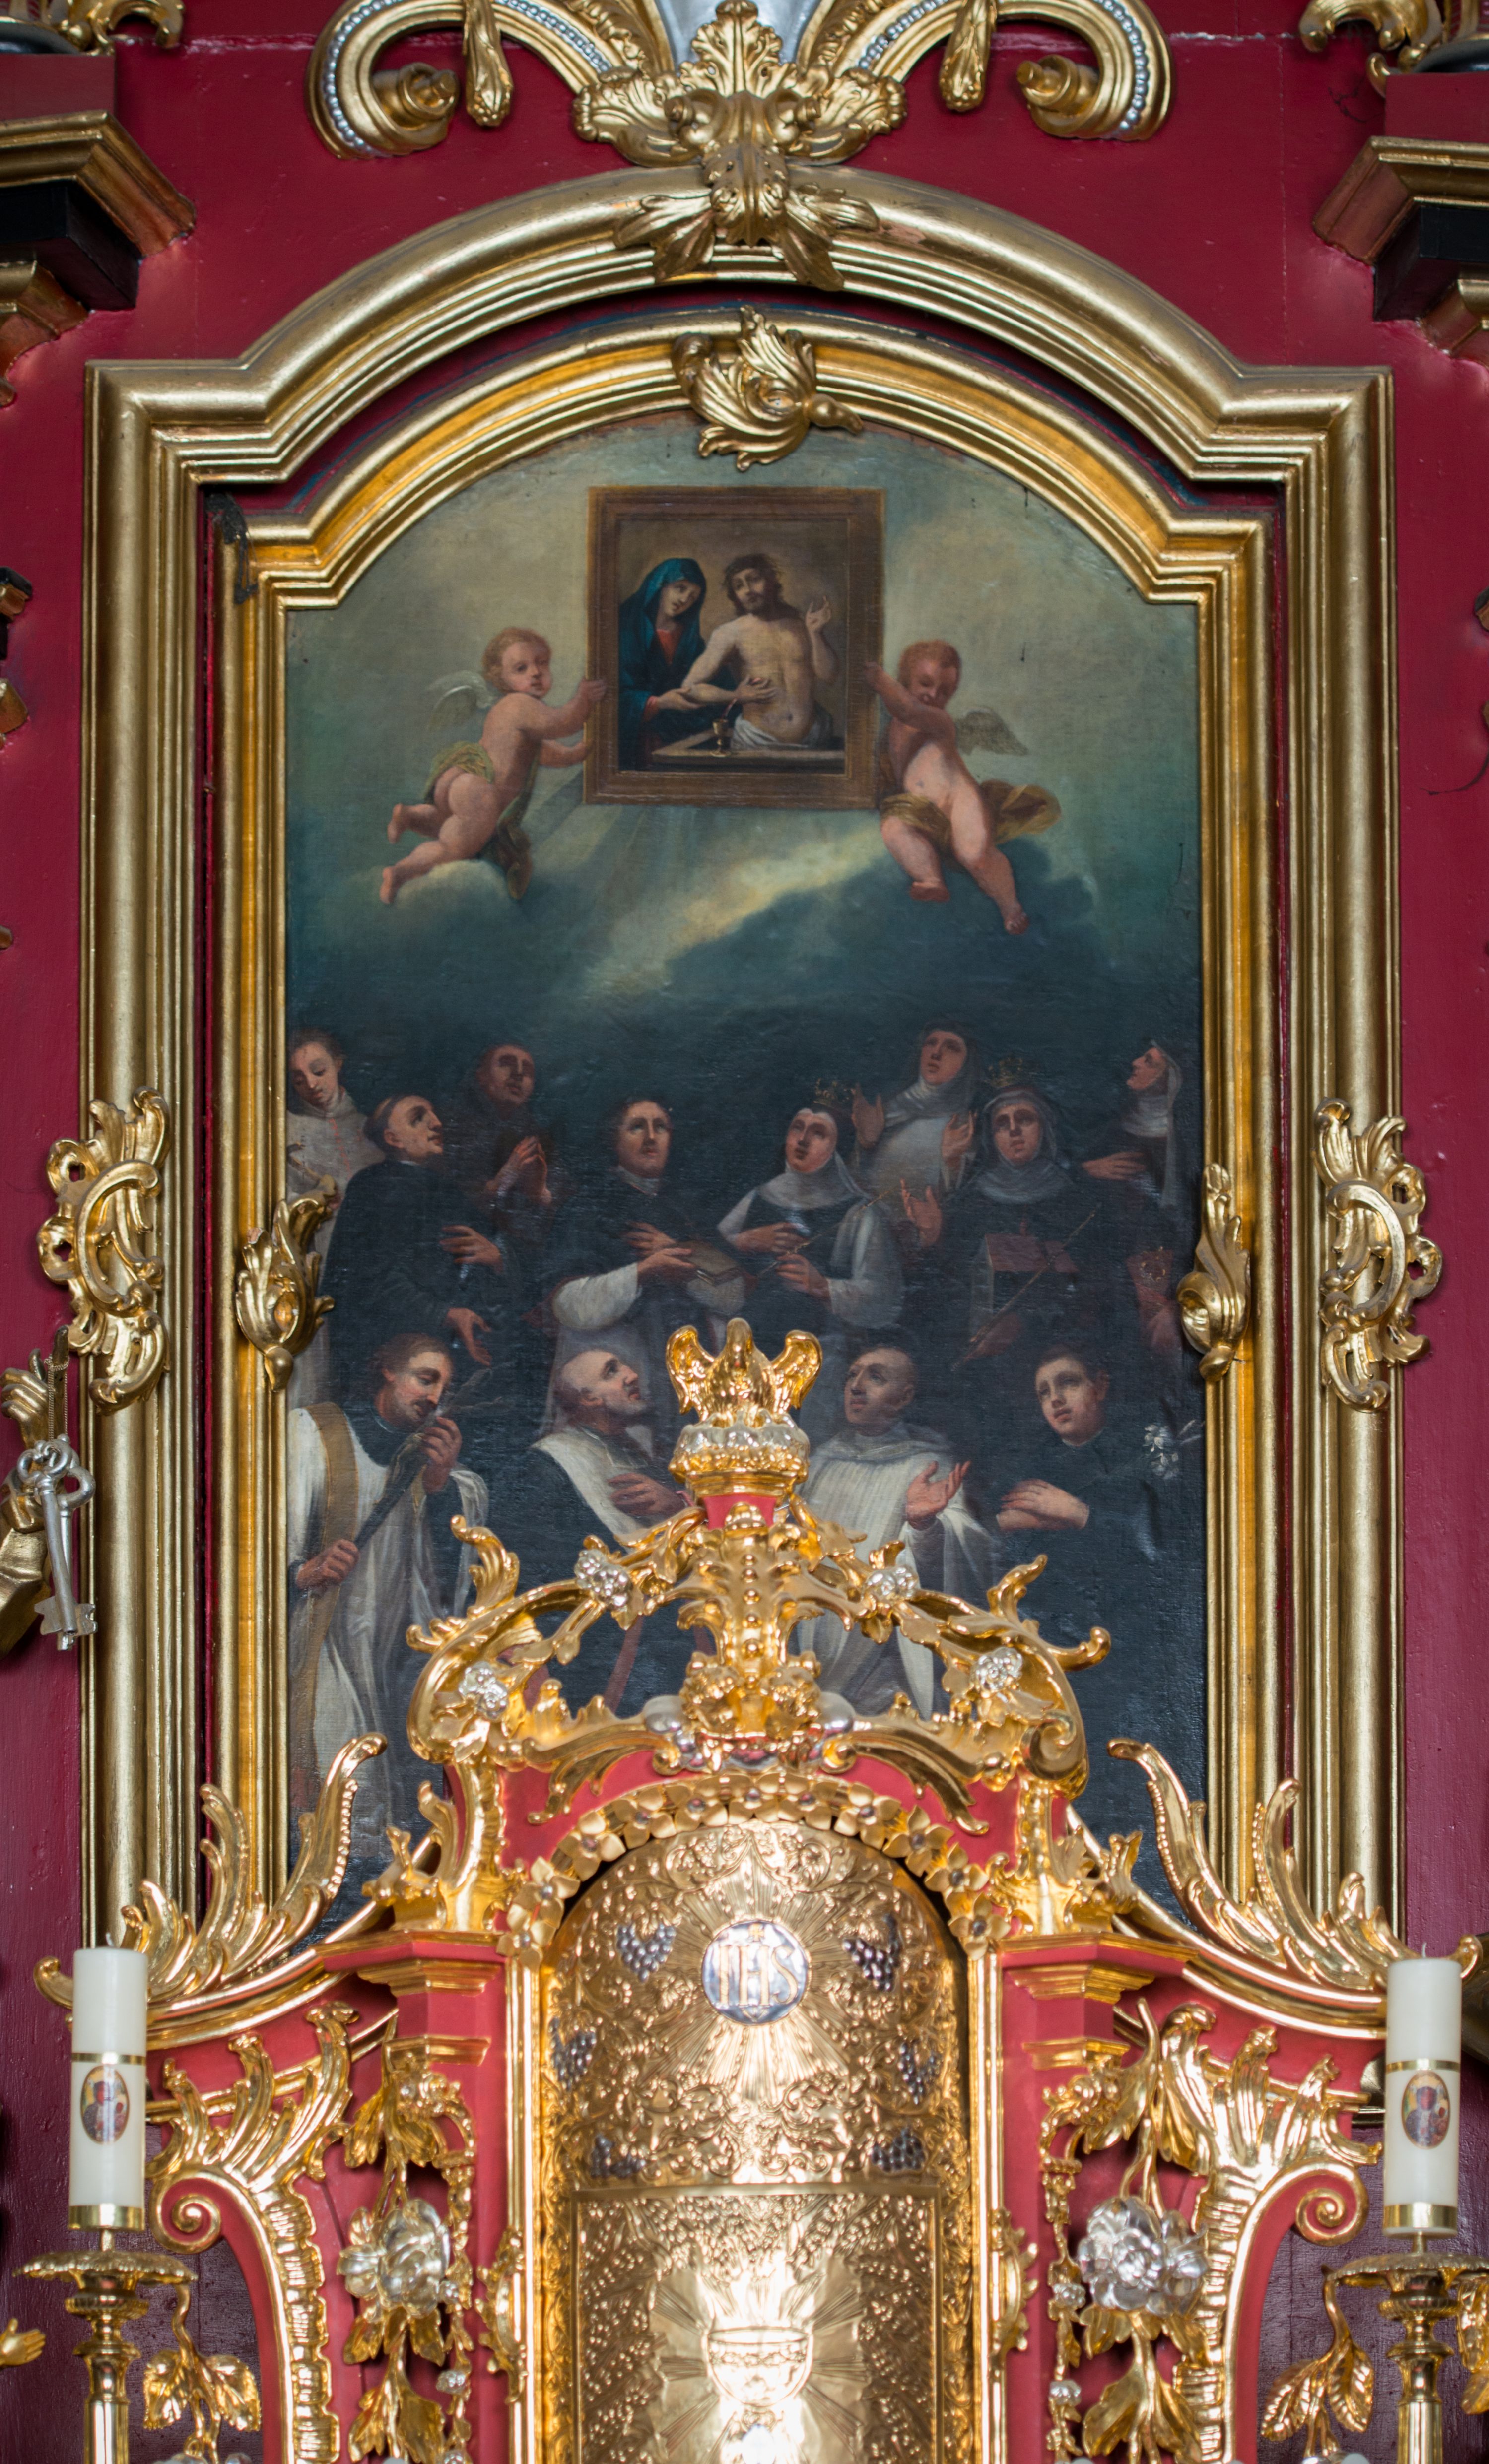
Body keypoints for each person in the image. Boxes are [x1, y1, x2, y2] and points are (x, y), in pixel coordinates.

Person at [287, 1332, 487, 1877]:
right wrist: (302, 1572)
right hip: (319, 1643)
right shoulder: (314, 1433)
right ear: (387, 1372)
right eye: (426, 1379)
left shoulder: (424, 1463)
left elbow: (442, 1575)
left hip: (384, 1652)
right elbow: (261, 1543)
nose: (434, 1397)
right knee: (343, 1774)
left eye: (443, 1387)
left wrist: (439, 1485)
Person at [994, 1340, 1203, 1846]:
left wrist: (1079, 1515)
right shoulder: (1039, 1466)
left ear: (1101, 1385)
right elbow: (1011, 1540)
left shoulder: (1145, 1448)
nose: (1056, 1400)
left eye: (1068, 1383)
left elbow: (1169, 1550)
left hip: (1141, 1643)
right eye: (1044, 1392)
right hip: (1068, 1642)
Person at [801, 1344, 1003, 1715]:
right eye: (852, 1376)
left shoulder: (929, 1466)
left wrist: (924, 1526)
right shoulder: (818, 1464)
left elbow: (969, 1555)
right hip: (807, 1652)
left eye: (875, 1378)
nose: (856, 1386)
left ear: (904, 1397)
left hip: (883, 1670)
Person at [505, 1348, 693, 1714]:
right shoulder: (547, 1465)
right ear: (588, 1399)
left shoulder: (637, 1458)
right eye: (612, 1372)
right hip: (594, 1665)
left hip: (657, 1654)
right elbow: (531, 1581)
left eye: (623, 1364)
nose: (631, 1374)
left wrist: (675, 1507)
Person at [544, 1096, 743, 1434]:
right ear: (615, 1140)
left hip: (699, 1377)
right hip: (619, 1377)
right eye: (637, 1127)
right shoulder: (586, 1207)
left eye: (660, 1128)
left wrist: (680, 1256)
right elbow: (569, 1306)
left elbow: (734, 1296)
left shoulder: (685, 1208)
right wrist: (643, 1272)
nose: (651, 1138)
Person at [321, 1092, 526, 1402]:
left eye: (433, 1114)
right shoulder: (375, 1186)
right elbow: (367, 1281)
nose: (436, 1123)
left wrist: (499, 1257)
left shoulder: (438, 1185)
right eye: (418, 1119)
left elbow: (481, 1245)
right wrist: (446, 1314)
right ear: (393, 1138)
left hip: (447, 1348)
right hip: (388, 1355)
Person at [902, 1082, 1109, 1388]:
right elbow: (944, 1286)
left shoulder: (1079, 1203)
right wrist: (932, 1240)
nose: (1013, 1131)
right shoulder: (970, 1201)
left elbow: (1094, 1290)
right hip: (976, 1363)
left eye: (1025, 1119)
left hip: (1054, 1355)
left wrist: (1024, 1322)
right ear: (992, 1136)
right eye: (1002, 1124)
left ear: (1045, 1127)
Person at [717, 1103, 902, 1436]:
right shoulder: (760, 1197)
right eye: (797, 1128)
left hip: (818, 1358)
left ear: (837, 1150)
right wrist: (745, 1241)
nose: (802, 1140)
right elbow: (710, 1256)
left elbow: (884, 1299)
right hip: (748, 1348)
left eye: (819, 1134)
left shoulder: (860, 1214)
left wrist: (823, 1286)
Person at [383, 628, 605, 904]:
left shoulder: (509, 712)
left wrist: (574, 755)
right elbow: (563, 723)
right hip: (480, 792)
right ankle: (401, 873)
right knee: (453, 847)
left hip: (462, 781)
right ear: (501, 678)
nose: (536, 673)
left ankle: (409, 816)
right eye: (521, 668)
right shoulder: (520, 704)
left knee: (444, 820)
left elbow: (540, 753)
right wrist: (584, 699)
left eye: (542, 663)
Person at [866, 641, 1059, 931]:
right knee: (894, 828)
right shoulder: (889, 732)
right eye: (925, 683)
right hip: (917, 809)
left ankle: (1010, 905)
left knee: (976, 855)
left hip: (959, 801)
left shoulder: (938, 721)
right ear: (905, 680)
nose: (934, 695)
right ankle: (930, 878)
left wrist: (880, 681)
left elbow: (909, 710)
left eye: (944, 691)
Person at [284, 1028, 381, 1405]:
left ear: (339, 1065)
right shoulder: (287, 1130)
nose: (311, 1084)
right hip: (320, 1261)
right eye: (299, 1079)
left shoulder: (373, 1128)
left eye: (318, 1070)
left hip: (373, 1265)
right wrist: (311, 1201)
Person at [677, 552, 838, 751]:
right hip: (756, 741)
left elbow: (829, 675)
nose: (748, 590)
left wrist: (816, 633)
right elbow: (689, 688)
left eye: (754, 579)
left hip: (813, 738)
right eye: (739, 586)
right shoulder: (730, 633)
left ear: (771, 579)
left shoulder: (803, 625)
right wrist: (734, 695)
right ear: (735, 596)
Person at [440, 1038, 561, 1252]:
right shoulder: (448, 1126)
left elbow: (565, 1200)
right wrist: (499, 1185)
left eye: (527, 1071)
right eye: (506, 1064)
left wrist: (540, 1193)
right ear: (482, 1076)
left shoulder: (539, 1138)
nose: (518, 1074)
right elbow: (443, 1195)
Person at [850, 1021, 981, 1206]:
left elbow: (962, 1198)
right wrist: (866, 1143)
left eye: (951, 1048)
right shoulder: (887, 1110)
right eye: (931, 1043)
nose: (936, 1054)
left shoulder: (965, 1126)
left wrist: (952, 1163)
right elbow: (855, 1180)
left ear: (966, 1064)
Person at [616, 557, 708, 768]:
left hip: (677, 743)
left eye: (693, 597)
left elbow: (718, 685)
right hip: (634, 741)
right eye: (680, 588)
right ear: (660, 584)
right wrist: (659, 703)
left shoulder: (691, 641)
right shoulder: (624, 629)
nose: (684, 599)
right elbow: (611, 696)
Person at [1082, 1043, 1186, 1216]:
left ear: (1170, 1080)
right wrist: (1088, 1169)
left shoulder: (1181, 1137)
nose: (1136, 1063)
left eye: (1148, 1062)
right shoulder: (1117, 1121)